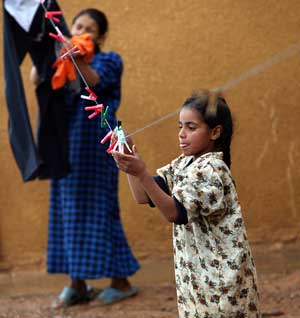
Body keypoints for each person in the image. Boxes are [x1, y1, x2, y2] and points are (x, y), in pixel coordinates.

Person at [112, 90, 260, 317]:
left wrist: (141, 172)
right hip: (197, 281)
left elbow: (175, 213)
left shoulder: (212, 170)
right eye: (180, 126)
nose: (182, 134)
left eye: (191, 128)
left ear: (215, 132)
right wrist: (129, 161)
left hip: (220, 283)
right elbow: (143, 196)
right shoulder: (184, 163)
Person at [32, 8, 140, 308]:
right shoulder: (60, 59)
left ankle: (121, 282)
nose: (80, 30)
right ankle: (77, 284)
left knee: (99, 209)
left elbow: (93, 82)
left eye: (88, 28)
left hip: (96, 145)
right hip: (65, 147)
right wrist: (44, 49)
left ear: (100, 36)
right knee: (65, 212)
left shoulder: (109, 60)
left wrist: (75, 55)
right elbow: (35, 79)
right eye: (77, 25)